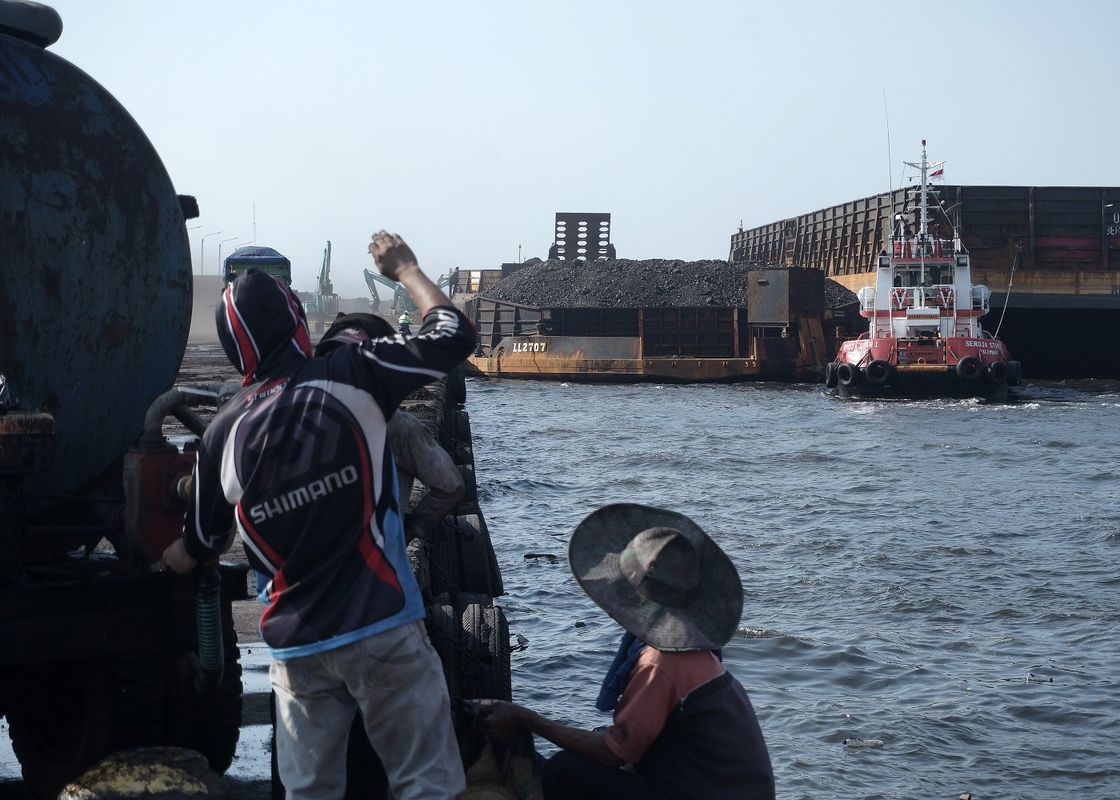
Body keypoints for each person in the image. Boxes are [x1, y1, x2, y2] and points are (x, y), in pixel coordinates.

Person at [162, 230, 476, 800]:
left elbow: (202, 543)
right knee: (426, 782)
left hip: (298, 651)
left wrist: (164, 558)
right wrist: (405, 269)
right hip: (382, 624)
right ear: (298, 322)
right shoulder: (354, 374)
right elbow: (453, 335)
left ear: (234, 350)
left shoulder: (222, 434)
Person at [478, 504, 775, 800]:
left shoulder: (660, 663)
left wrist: (529, 720)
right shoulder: (700, 653)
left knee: (564, 770)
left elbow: (614, 753)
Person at [315, 312, 465, 542]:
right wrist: (411, 529)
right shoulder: (397, 427)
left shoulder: (293, 416)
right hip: (377, 559)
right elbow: (450, 486)